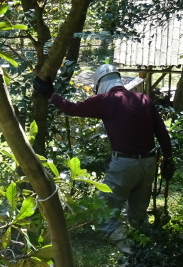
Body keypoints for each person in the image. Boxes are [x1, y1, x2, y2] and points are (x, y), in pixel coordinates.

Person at [34, 64, 174, 251]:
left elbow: (71, 109)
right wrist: (169, 159)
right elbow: (162, 133)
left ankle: (128, 251)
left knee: (103, 212)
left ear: (100, 83)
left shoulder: (105, 100)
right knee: (138, 216)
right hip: (149, 164)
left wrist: (51, 94)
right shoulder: (143, 99)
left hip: (124, 164)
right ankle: (146, 253)